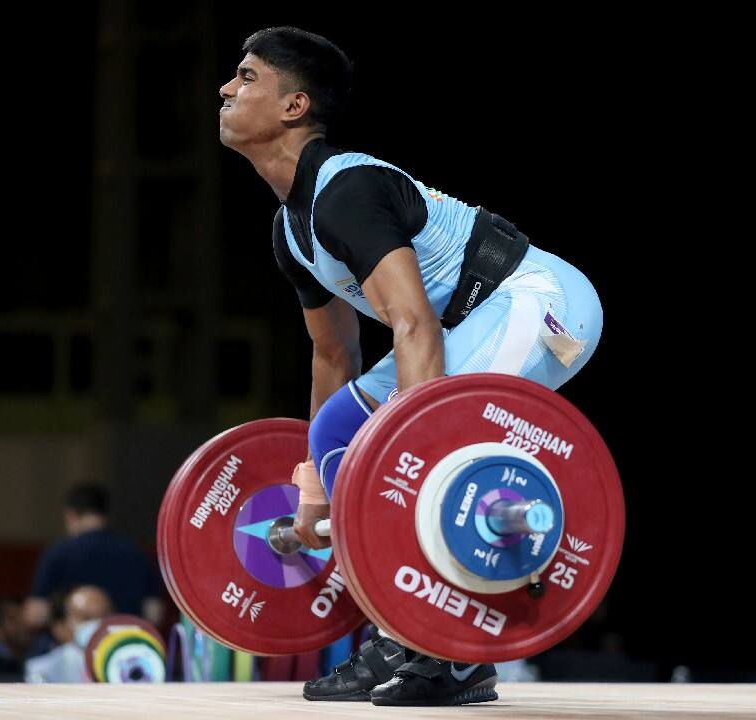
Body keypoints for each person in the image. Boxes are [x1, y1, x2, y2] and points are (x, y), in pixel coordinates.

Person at [217, 27, 603, 706]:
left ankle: (445, 652)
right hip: (462, 328)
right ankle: (405, 631)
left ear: (294, 106)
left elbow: (413, 322)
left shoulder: (345, 190)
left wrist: (413, 455)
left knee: (414, 456)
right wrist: (315, 487)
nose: (226, 87)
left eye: (247, 77)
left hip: (540, 305)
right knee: (342, 432)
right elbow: (334, 355)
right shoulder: (290, 230)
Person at [22, 484, 163, 641]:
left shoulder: (58, 554)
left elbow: (35, 614)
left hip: (71, 653)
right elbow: (154, 613)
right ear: (106, 514)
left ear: (70, 515)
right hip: (123, 650)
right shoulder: (137, 554)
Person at [25, 585, 113, 683]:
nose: (97, 624)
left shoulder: (125, 664)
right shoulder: (42, 672)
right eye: (86, 618)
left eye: (104, 616)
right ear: (61, 627)